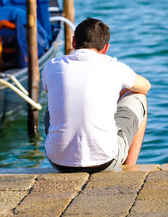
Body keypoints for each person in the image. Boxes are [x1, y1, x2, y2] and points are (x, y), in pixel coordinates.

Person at [42, 17, 151, 173]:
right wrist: (118, 94)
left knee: (54, 103)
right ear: (105, 48)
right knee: (140, 98)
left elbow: (50, 90)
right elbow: (145, 87)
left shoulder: (52, 66)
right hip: (104, 162)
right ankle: (129, 169)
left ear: (74, 42)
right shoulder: (114, 67)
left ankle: (62, 149)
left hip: (58, 162)